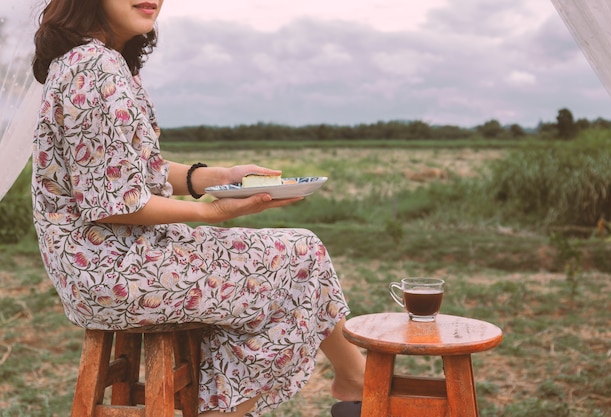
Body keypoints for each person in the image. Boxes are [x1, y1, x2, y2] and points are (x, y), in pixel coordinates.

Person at [30, 1, 365, 416]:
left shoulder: (94, 61)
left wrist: (221, 175)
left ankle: (352, 380)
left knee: (295, 257)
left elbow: (134, 169)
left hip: (108, 261)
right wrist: (210, 212)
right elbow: (115, 202)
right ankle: (351, 382)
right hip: (113, 268)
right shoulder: (94, 67)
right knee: (300, 256)